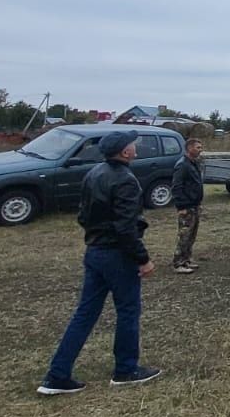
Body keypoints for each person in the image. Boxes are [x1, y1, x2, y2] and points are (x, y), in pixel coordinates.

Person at [38, 130, 162, 395]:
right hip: (117, 255)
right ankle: (126, 370)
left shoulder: (94, 173)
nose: (135, 146)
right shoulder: (125, 180)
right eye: (131, 144)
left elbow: (83, 215)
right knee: (128, 310)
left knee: (85, 314)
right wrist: (143, 259)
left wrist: (97, 235)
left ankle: (57, 375)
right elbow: (126, 227)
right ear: (124, 152)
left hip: (95, 251)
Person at [169, 137, 207, 274]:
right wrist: (181, 207)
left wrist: (198, 203)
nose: (200, 150)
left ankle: (187, 259)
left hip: (194, 205)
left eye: (200, 147)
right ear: (189, 148)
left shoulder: (194, 163)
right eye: (198, 147)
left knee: (192, 235)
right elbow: (176, 187)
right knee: (184, 235)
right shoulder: (182, 165)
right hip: (186, 206)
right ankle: (178, 262)